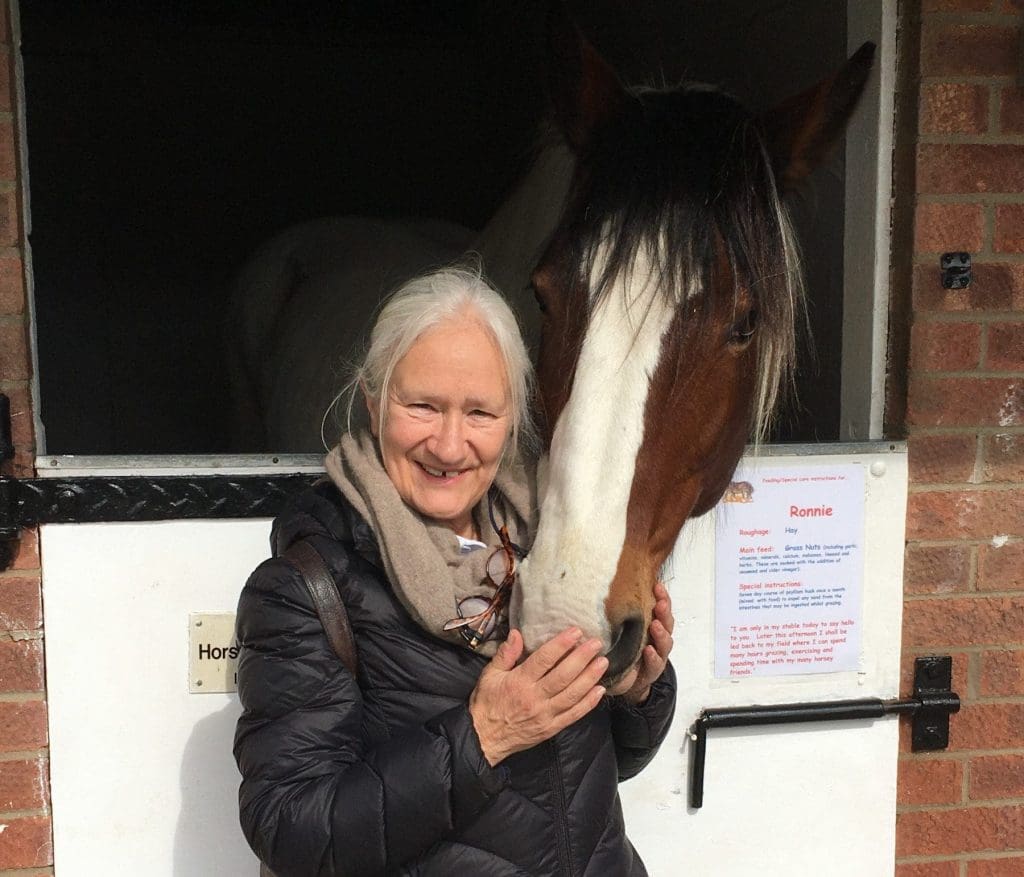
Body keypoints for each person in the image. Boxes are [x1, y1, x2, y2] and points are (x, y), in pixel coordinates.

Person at [233, 266, 677, 876]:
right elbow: (291, 827)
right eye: (421, 406)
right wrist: (483, 735)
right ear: (372, 398)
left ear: (516, 415)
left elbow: (601, 768)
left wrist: (634, 692)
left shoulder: (552, 550)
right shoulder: (306, 590)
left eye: (479, 414)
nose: (448, 445)